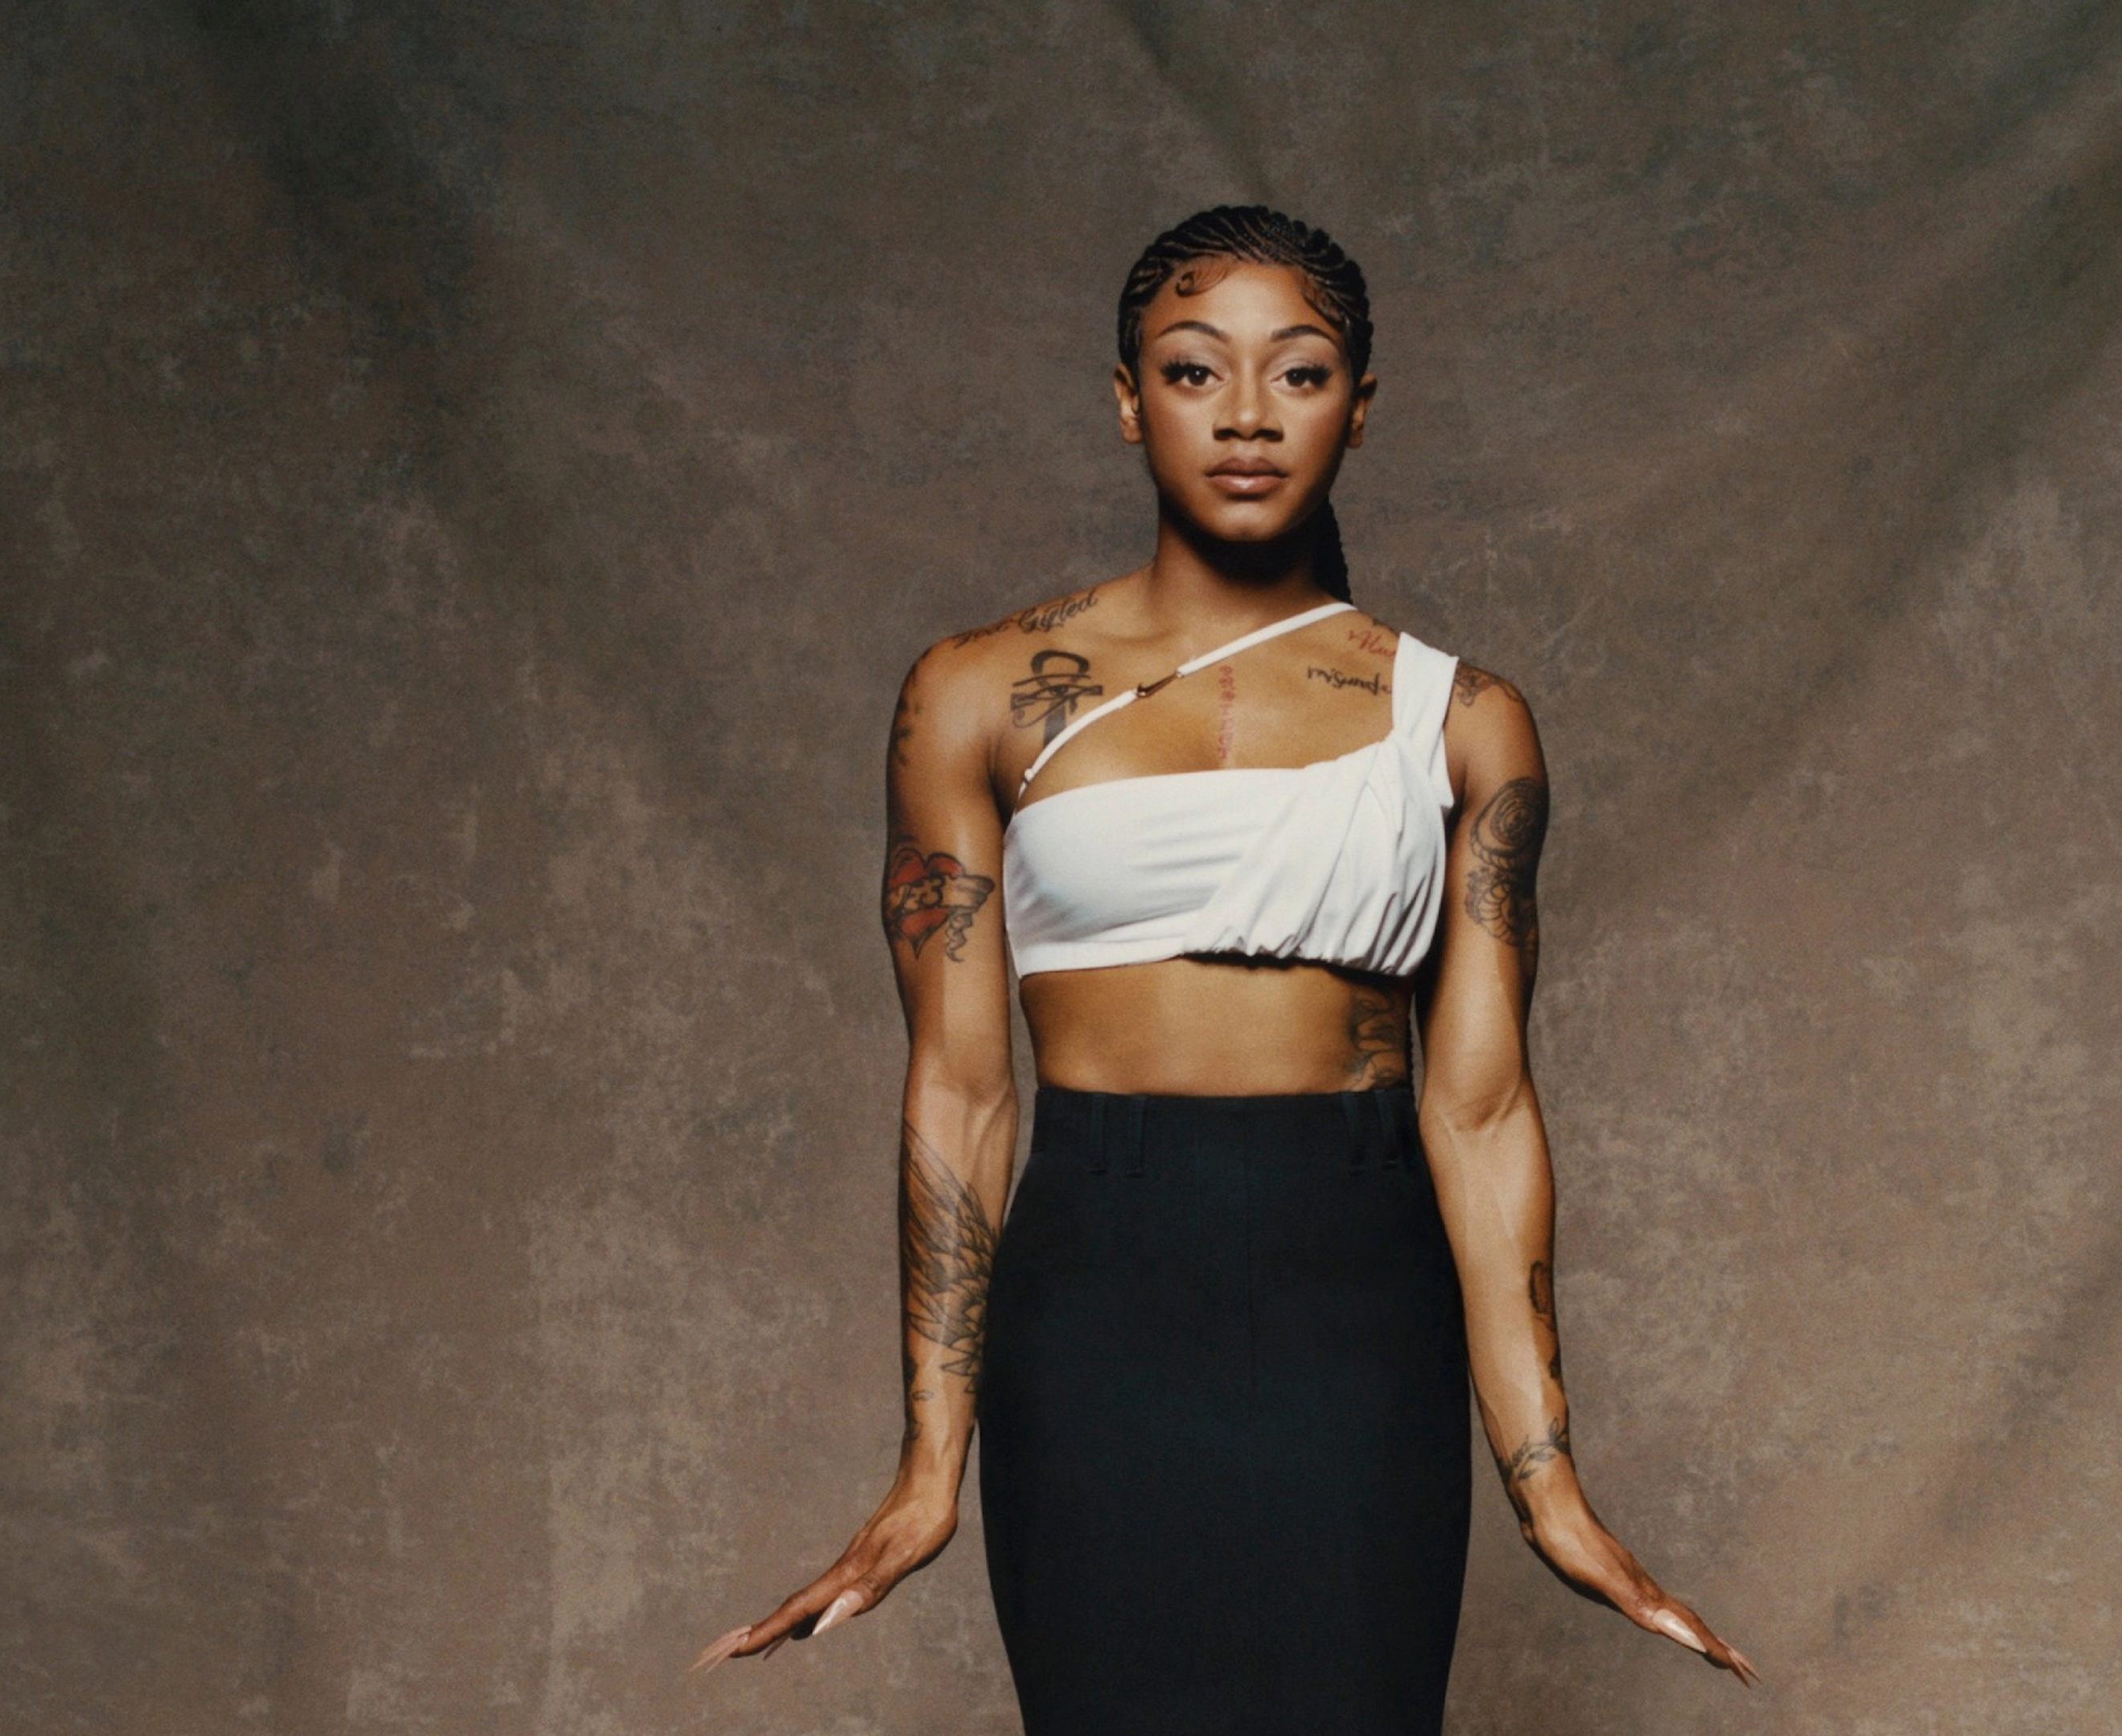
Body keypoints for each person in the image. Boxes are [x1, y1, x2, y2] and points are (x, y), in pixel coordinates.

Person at [694, 204, 1755, 1732]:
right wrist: (928, 1465)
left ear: (1359, 407)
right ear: (1129, 400)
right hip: (1097, 1301)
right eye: (1195, 371)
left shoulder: (1466, 723)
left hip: (1359, 1304)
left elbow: (1478, 1113)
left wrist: (1551, 1485)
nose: (1247, 415)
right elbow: (963, 1090)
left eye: (1299, 373)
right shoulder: (974, 694)